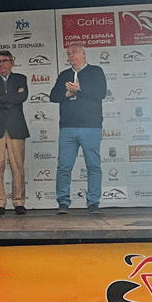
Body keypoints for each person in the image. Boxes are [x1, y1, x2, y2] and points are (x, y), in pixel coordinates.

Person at [49, 42, 107, 215]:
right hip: (68, 127)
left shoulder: (96, 71)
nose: (71, 55)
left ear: (84, 54)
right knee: (64, 166)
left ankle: (93, 203)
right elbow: (53, 96)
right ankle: (63, 202)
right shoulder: (64, 74)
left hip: (91, 126)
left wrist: (79, 88)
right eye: (68, 53)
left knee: (93, 166)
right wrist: (67, 94)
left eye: (74, 52)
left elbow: (100, 93)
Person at [0, 50, 29, 215]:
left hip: (16, 127)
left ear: (12, 62)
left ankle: (19, 202)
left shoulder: (21, 78)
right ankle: (0, 203)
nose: (2, 64)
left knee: (18, 166)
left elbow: (22, 97)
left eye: (5, 60)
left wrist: (0, 97)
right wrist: (10, 98)